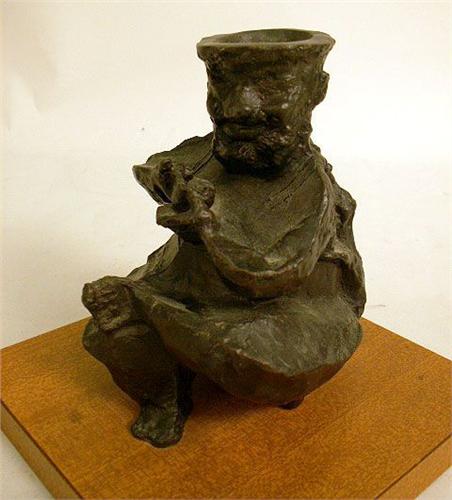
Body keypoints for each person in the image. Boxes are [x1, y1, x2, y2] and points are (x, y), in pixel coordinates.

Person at [82, 29, 365, 448]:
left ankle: (154, 314)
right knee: (108, 334)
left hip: (285, 312)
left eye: (271, 86)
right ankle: (165, 394)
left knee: (253, 356)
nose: (239, 106)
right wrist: (167, 181)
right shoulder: (210, 152)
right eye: (222, 83)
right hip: (188, 291)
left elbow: (276, 274)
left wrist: (208, 231)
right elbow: (153, 168)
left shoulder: (312, 188)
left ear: (316, 90)